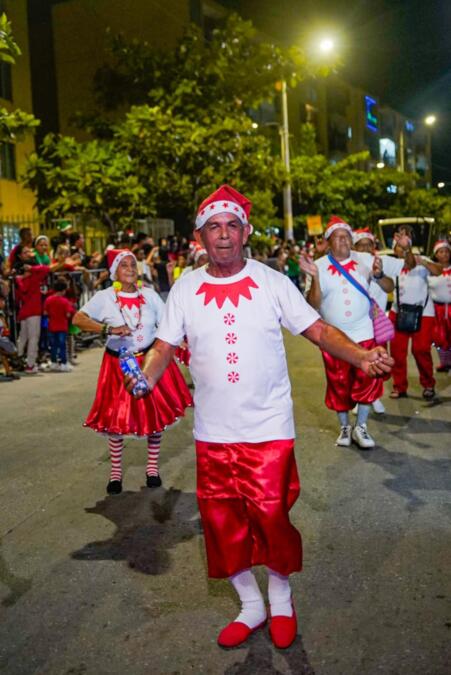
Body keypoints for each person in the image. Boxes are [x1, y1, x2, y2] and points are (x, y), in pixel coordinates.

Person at [125, 186, 393, 650]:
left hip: (268, 427)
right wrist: (146, 377)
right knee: (221, 521)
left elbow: (318, 330)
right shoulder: (185, 287)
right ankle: (250, 605)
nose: (223, 235)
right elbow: (164, 346)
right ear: (199, 237)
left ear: (245, 232)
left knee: (271, 516)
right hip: (213, 431)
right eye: (214, 227)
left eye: (232, 226)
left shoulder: (271, 282)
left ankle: (281, 599)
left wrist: (361, 356)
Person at [72, 249, 192, 495]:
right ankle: (115, 473)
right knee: (115, 418)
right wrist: (107, 329)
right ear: (114, 271)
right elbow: (77, 319)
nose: (129, 269)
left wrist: (182, 340)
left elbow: (167, 322)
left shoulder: (149, 295)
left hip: (149, 362)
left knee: (155, 415)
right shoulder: (105, 297)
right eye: (123, 265)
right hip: (118, 365)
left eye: (132, 265)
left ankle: (152, 469)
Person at [301, 216, 405, 449]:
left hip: (365, 333)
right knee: (338, 383)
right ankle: (345, 427)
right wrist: (315, 278)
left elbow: (389, 286)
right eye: (338, 237)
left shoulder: (365, 259)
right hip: (334, 339)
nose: (344, 241)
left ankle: (361, 426)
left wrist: (379, 275)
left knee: (368, 380)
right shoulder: (318, 266)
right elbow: (313, 304)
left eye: (347, 237)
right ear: (329, 242)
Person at [352, 227, 404, 414]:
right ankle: (360, 399)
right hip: (355, 324)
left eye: (369, 245)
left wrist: (404, 248)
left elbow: (392, 284)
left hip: (377, 323)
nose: (365, 248)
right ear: (354, 247)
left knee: (378, 362)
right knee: (358, 361)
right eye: (361, 245)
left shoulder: (383, 261)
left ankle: (375, 397)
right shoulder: (348, 264)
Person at [388, 233, 440, 400]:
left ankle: (428, 384)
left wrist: (423, 262)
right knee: (397, 352)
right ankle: (399, 386)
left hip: (423, 313)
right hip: (398, 312)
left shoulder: (420, 260)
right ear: (394, 250)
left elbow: (438, 271)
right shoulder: (391, 265)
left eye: (405, 246)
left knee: (421, 350)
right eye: (399, 246)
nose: (402, 249)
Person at [14, 250, 50, 374]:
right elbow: (46, 269)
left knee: (22, 337)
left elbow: (18, 297)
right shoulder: (35, 277)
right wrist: (33, 269)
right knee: (34, 338)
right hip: (34, 312)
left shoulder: (19, 281)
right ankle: (30, 365)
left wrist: (20, 278)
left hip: (24, 312)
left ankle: (17, 360)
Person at [427, 240, 451, 372]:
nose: (444, 254)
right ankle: (444, 362)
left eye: (447, 251)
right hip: (438, 310)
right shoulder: (430, 271)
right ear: (436, 254)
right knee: (440, 337)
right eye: (441, 252)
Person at [43, 278, 76, 372]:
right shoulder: (65, 301)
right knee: (62, 346)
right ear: (64, 290)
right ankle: (63, 363)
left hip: (51, 326)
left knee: (53, 346)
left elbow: (45, 312)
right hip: (62, 326)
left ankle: (54, 363)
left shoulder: (48, 299)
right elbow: (68, 314)